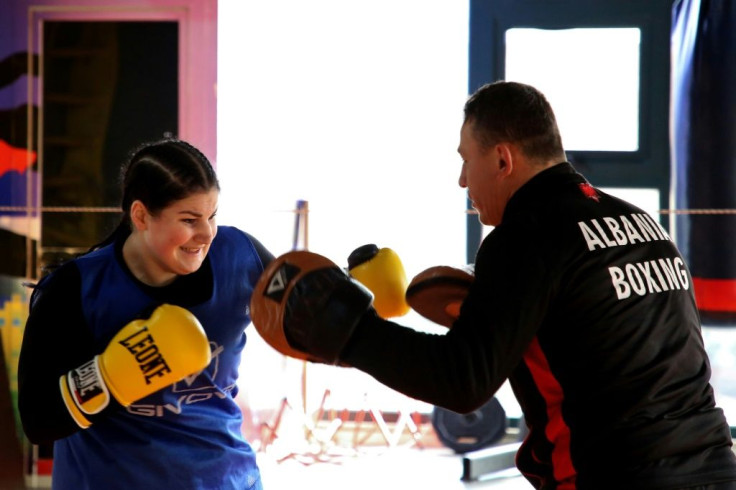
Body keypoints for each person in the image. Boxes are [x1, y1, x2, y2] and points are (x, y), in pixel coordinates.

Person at [250, 81, 736, 489]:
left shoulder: (524, 236)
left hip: (619, 476)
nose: (463, 179)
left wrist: (350, 333)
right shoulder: (640, 223)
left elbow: (462, 381)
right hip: (716, 466)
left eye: (466, 159)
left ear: (502, 160)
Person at [18, 138, 273, 490]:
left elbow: (309, 316)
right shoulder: (76, 289)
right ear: (140, 215)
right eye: (189, 219)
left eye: (212, 216)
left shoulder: (240, 255)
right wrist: (113, 376)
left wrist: (353, 300)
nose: (206, 233)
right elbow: (38, 421)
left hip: (227, 479)